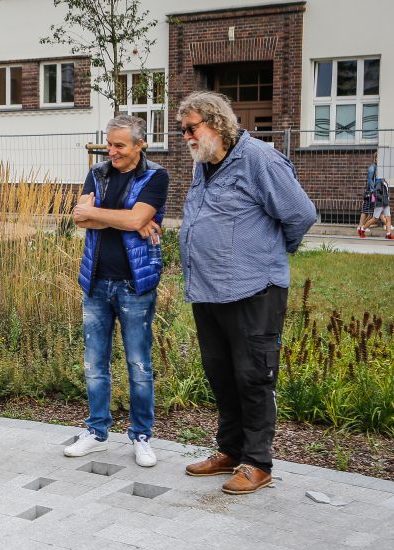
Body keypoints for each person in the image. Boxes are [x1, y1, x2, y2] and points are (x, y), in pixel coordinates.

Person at [178, 91, 317, 494]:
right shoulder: (203, 163)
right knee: (221, 374)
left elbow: (301, 214)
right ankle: (230, 450)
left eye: (192, 128)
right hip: (208, 291)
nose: (186, 135)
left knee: (253, 376)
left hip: (254, 289)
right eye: (183, 128)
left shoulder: (259, 159)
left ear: (217, 124)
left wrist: (273, 251)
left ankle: (258, 461)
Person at [64, 115, 168, 468]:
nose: (112, 152)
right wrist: (124, 218)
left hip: (134, 284)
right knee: (95, 363)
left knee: (139, 364)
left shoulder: (156, 176)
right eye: (109, 144)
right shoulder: (98, 173)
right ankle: (96, 432)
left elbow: (139, 221)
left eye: (119, 146)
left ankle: (141, 436)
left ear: (140, 145)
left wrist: (102, 214)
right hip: (95, 281)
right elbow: (79, 218)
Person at [357, 164, 377, 238]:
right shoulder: (373, 167)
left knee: (369, 209)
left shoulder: (377, 167)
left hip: (371, 191)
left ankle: (362, 226)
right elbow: (370, 178)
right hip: (371, 192)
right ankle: (361, 226)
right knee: (368, 209)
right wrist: (373, 190)